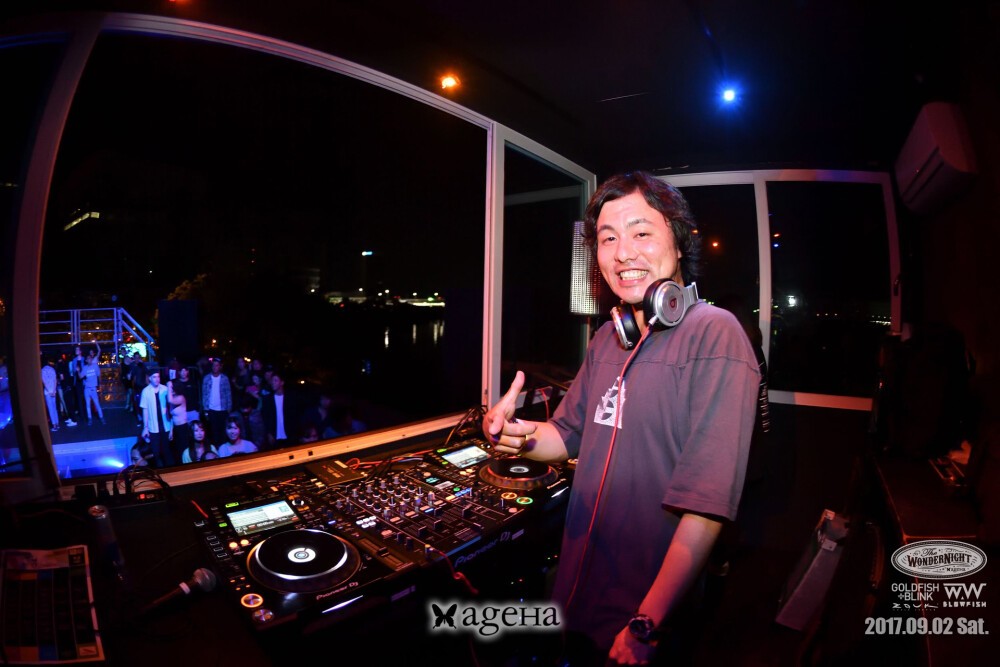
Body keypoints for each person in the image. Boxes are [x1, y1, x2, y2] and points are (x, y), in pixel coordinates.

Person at [482, 171, 760, 666]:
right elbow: (565, 435)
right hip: (577, 591)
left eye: (641, 232)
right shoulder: (607, 340)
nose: (622, 253)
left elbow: (706, 507)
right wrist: (518, 436)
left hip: (642, 613)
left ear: (680, 242)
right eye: (608, 239)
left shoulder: (716, 335)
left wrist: (646, 623)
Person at [139, 371, 173, 466]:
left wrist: (171, 428)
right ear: (150, 378)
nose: (157, 379)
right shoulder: (146, 391)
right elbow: (145, 410)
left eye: (158, 377)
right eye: (154, 377)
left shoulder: (165, 389)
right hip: (153, 427)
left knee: (167, 451)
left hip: (166, 425)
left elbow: (171, 409)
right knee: (156, 452)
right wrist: (145, 427)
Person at [260, 370, 301, 449]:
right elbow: (265, 418)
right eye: (272, 380)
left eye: (275, 380)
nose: (273, 383)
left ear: (282, 382)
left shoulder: (291, 398)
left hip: (290, 435)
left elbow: (295, 417)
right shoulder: (267, 400)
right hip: (274, 436)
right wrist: (269, 433)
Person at [201, 358, 232, 447]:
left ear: (220, 367)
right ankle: (215, 450)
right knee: (214, 433)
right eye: (213, 365)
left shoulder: (224, 378)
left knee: (223, 432)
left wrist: (229, 408)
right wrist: (205, 409)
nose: (215, 367)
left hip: (223, 409)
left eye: (217, 365)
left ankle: (223, 450)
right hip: (211, 409)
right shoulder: (207, 378)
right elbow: (204, 394)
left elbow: (228, 393)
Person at [166, 379, 191, 466]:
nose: (171, 390)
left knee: (183, 451)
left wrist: (168, 385)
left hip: (182, 428)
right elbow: (172, 417)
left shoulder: (181, 398)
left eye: (172, 388)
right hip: (176, 428)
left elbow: (170, 400)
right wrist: (171, 431)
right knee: (177, 452)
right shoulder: (173, 399)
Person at [80, 343, 105, 425]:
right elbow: (80, 376)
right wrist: (78, 371)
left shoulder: (95, 365)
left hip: (93, 388)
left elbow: (98, 375)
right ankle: (90, 419)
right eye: (88, 359)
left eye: (90, 358)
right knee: (87, 405)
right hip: (87, 388)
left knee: (97, 404)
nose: (89, 359)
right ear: (86, 360)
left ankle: (101, 417)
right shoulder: (84, 367)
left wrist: (99, 385)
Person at [41, 356, 60, 431]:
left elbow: (44, 382)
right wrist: (54, 390)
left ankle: (54, 425)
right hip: (53, 391)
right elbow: (55, 380)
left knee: (50, 408)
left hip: (48, 392)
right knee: (54, 408)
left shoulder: (42, 370)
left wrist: (49, 391)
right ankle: (57, 424)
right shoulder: (52, 369)